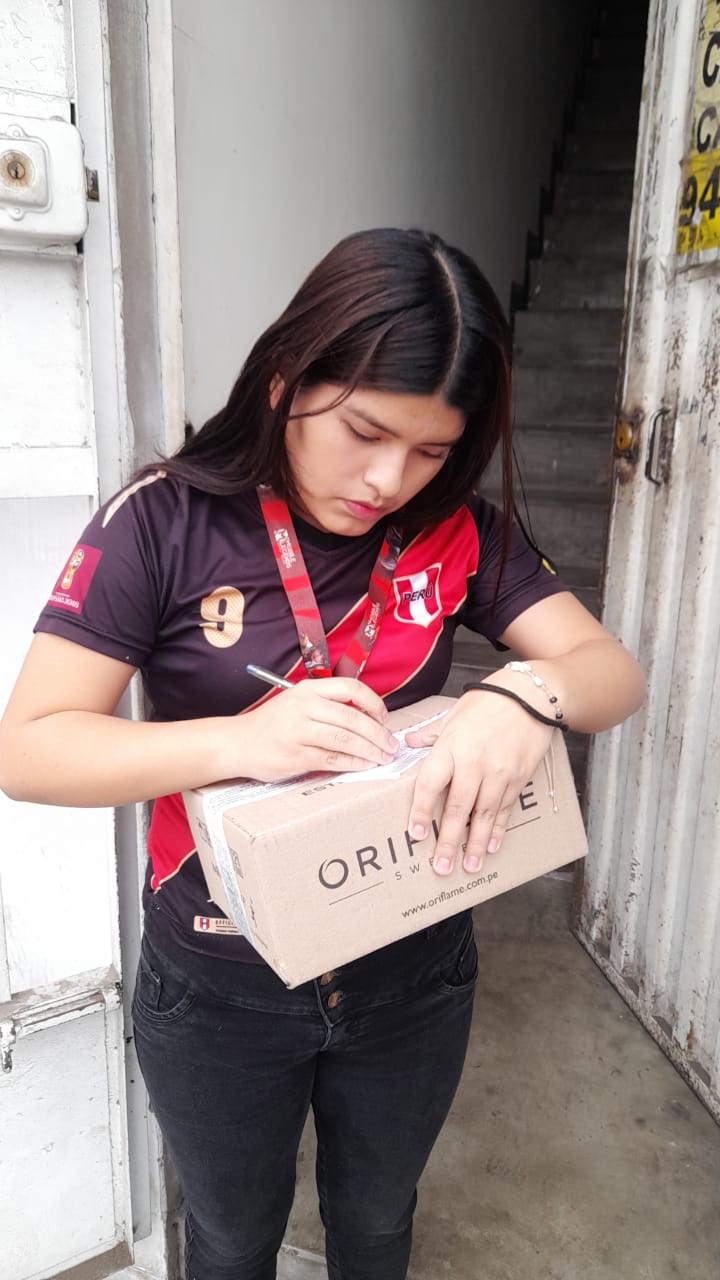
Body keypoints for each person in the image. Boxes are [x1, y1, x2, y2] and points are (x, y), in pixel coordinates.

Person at [0, 228, 644, 1280]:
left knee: (378, 1221)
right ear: (286, 378)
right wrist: (239, 739)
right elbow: (29, 748)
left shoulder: (456, 534)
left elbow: (609, 671)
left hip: (411, 958)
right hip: (221, 972)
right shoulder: (163, 522)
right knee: (232, 1238)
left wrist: (526, 693)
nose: (388, 478)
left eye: (431, 450)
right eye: (364, 430)